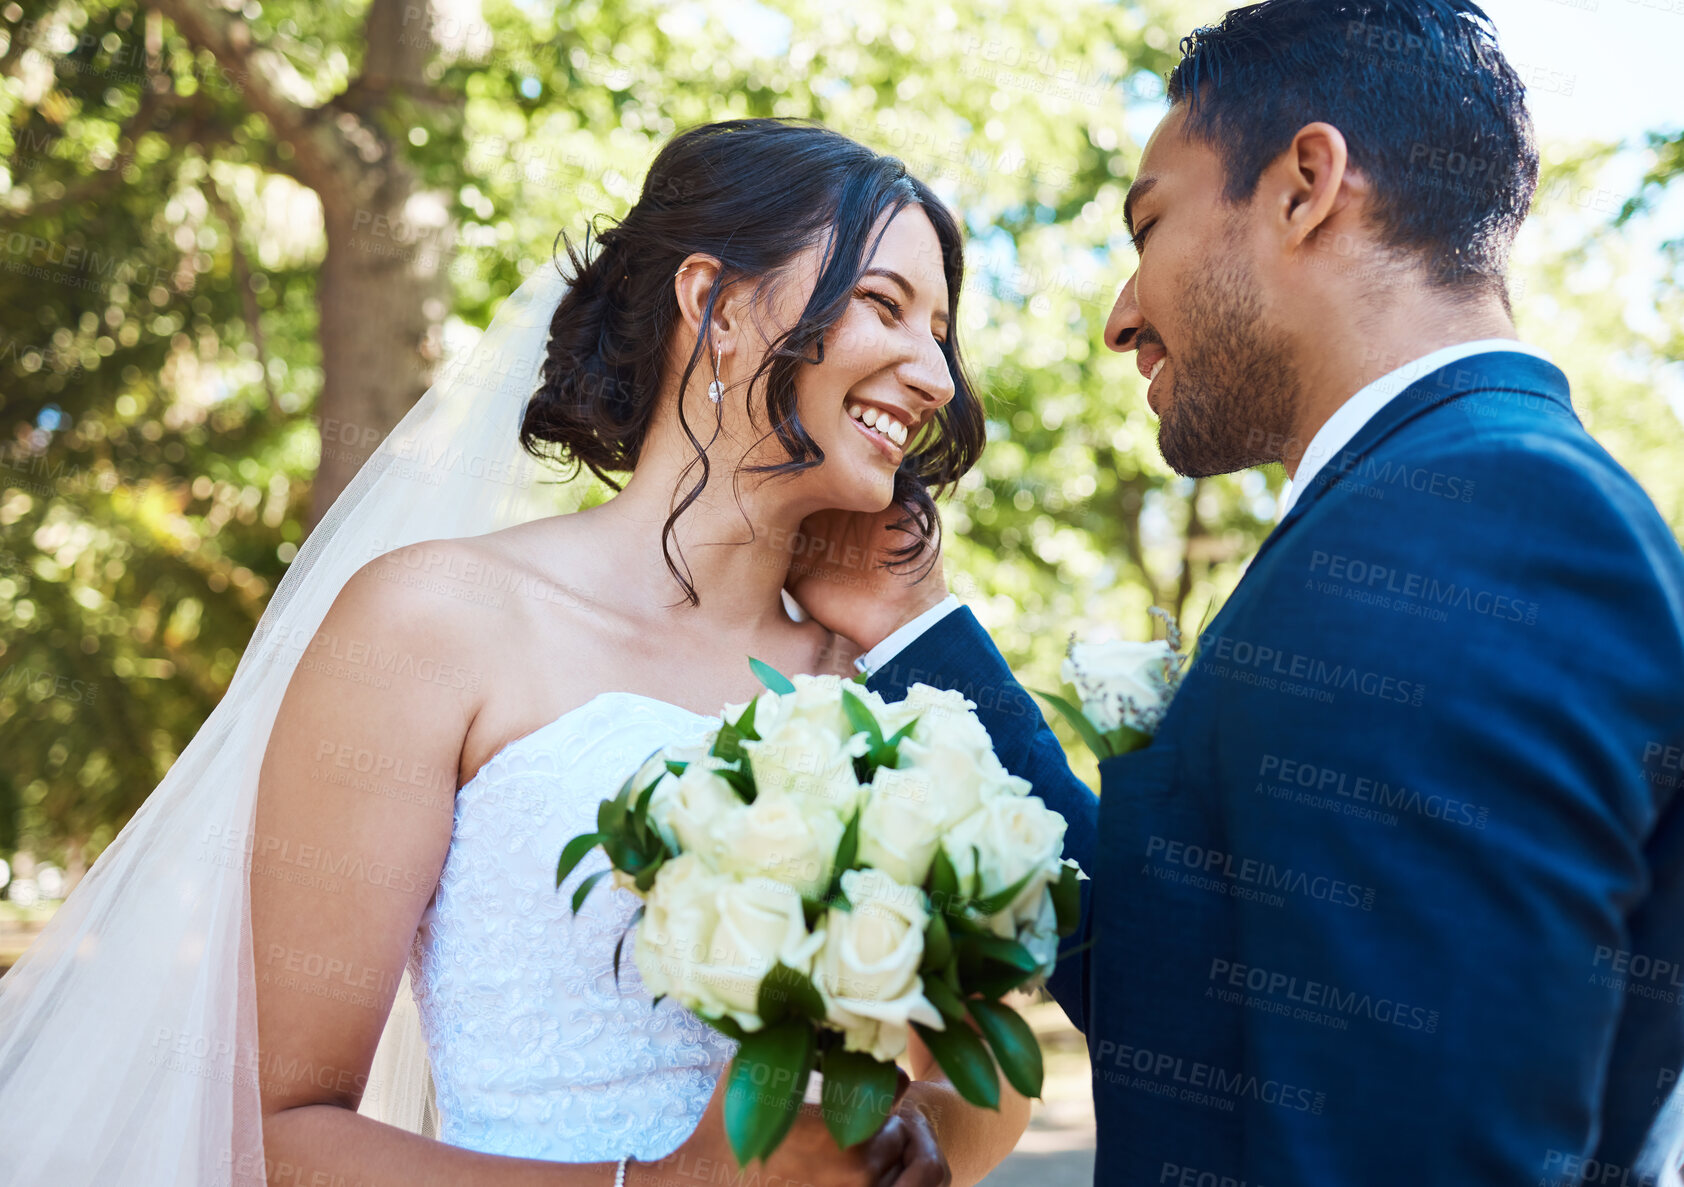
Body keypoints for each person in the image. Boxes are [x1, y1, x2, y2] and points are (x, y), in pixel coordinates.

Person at [0, 118, 1026, 1187]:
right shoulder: (433, 619)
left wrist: (922, 1135)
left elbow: (992, 1072)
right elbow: (278, 1132)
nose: (937, 377)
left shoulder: (875, 681)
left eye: (943, 332)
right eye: (884, 305)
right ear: (714, 304)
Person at [789, 3, 1684, 1184]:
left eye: (1149, 221)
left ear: (1305, 184)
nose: (1119, 317)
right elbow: (1215, 1009)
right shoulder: (1426, 505)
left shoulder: (1479, 527)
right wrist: (918, 628)